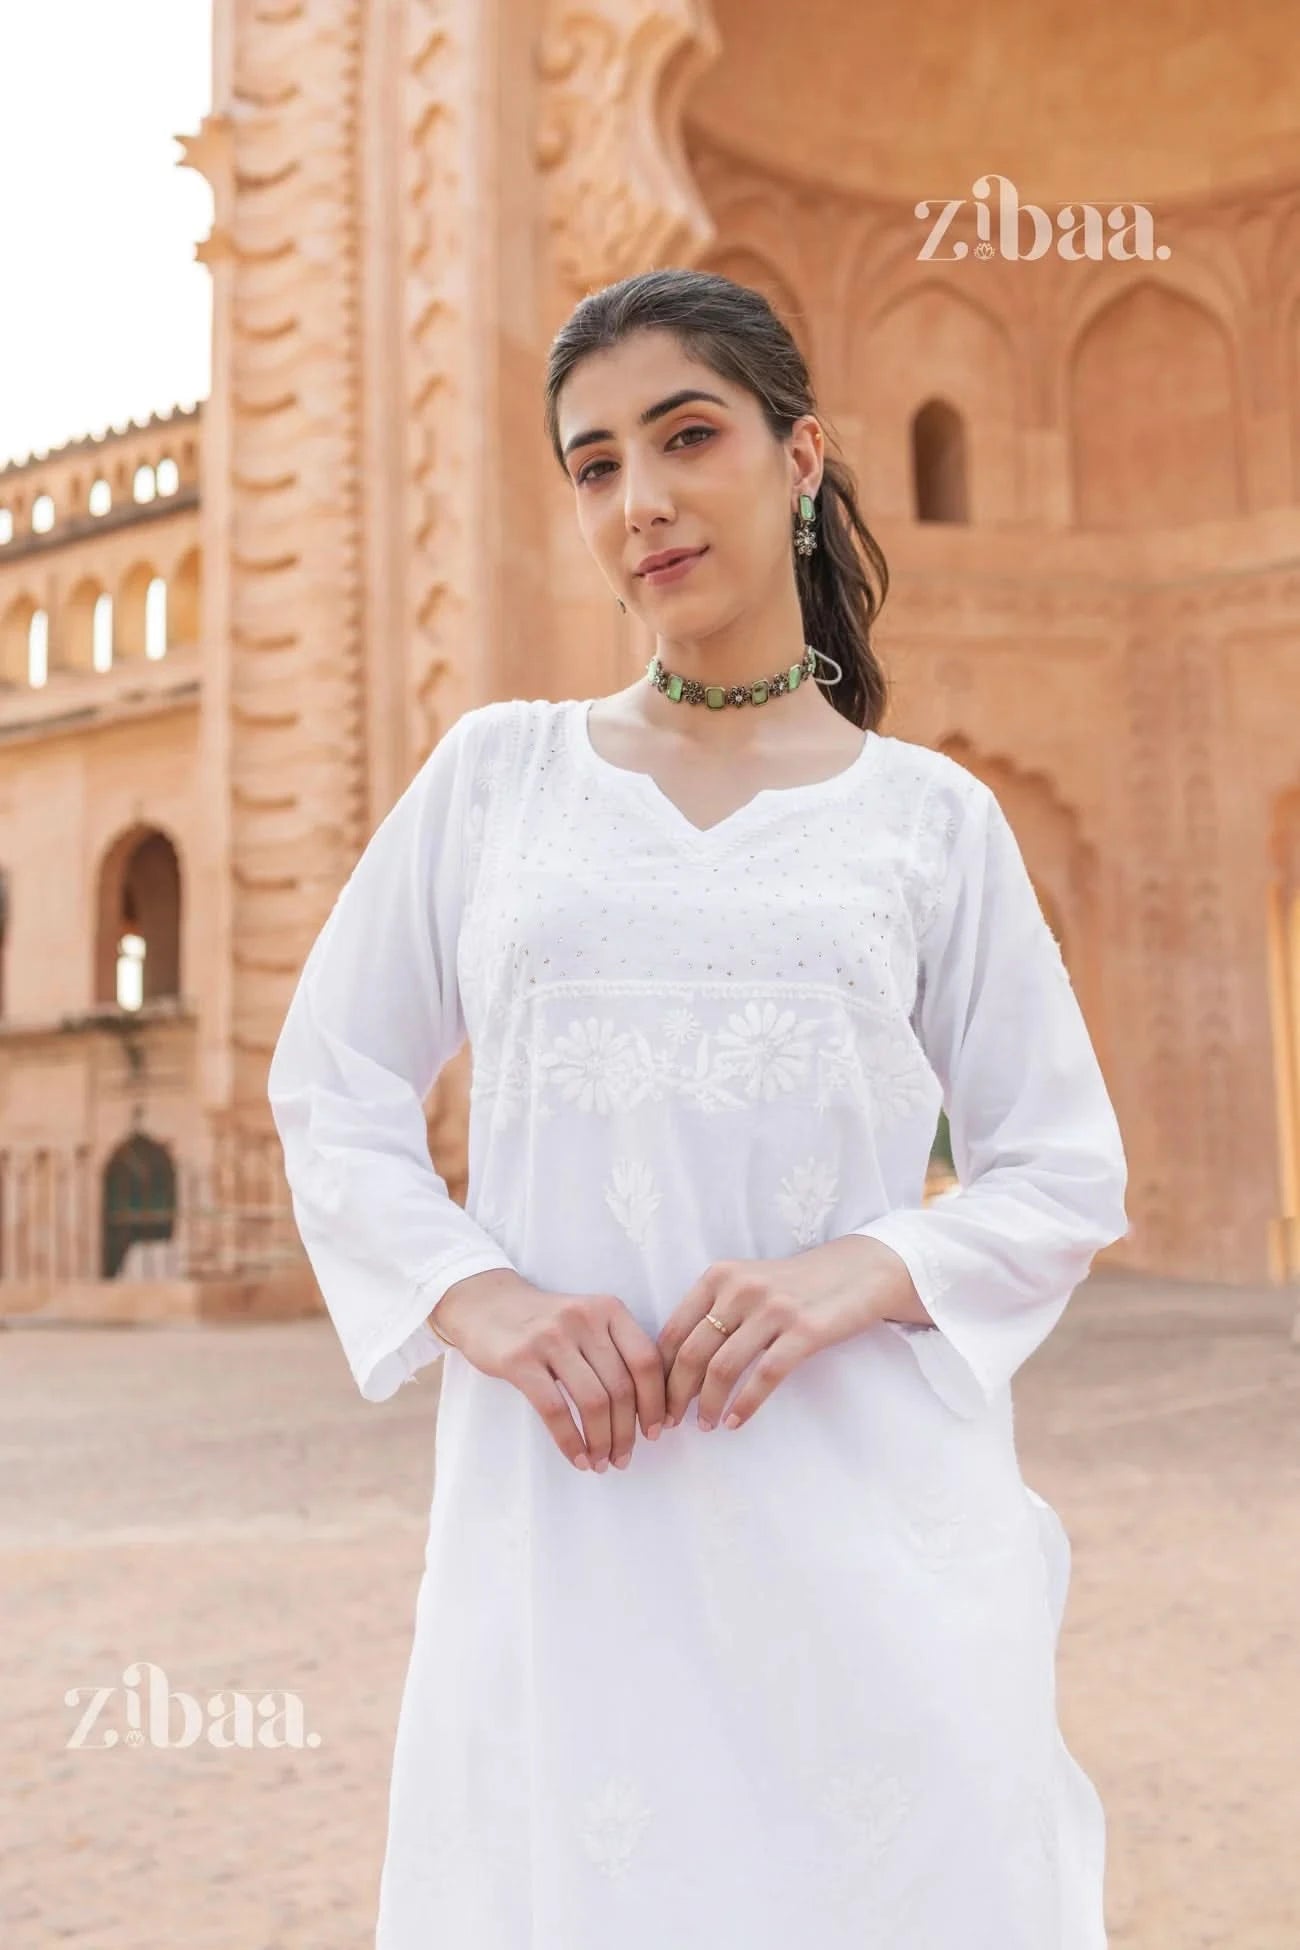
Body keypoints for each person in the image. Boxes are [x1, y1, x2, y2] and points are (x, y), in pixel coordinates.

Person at [267, 266, 1129, 1950]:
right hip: (570, 1540)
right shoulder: (498, 781)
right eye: (595, 465)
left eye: (686, 436)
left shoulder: (928, 822)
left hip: (863, 1536)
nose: (642, 501)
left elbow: (1060, 1168)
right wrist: (479, 1295)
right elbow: (335, 1079)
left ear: (800, 457)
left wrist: (864, 1266)